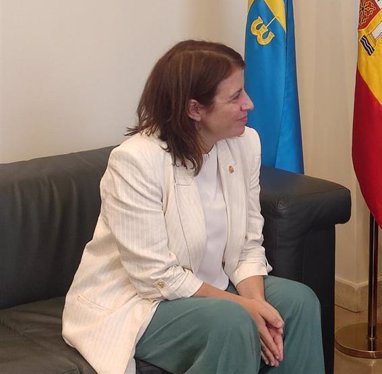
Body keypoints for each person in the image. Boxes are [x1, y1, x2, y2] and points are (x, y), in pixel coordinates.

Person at [62, 40, 324, 374]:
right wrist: (244, 308)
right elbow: (155, 278)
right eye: (235, 97)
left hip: (213, 285)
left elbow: (247, 246)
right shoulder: (135, 162)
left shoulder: (244, 144)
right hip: (141, 302)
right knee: (234, 323)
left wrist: (257, 303)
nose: (249, 103)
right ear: (194, 109)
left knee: (299, 303)